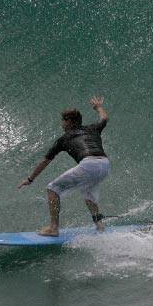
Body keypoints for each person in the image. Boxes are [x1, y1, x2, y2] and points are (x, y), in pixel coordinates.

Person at [18, 96, 110, 236]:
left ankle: (53, 228)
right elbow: (104, 118)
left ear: (69, 122)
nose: (62, 124)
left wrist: (30, 179)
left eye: (63, 121)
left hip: (89, 164)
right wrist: (98, 107)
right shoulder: (92, 128)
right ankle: (100, 224)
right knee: (87, 191)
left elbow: (45, 161)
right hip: (105, 164)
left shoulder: (63, 139)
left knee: (52, 188)